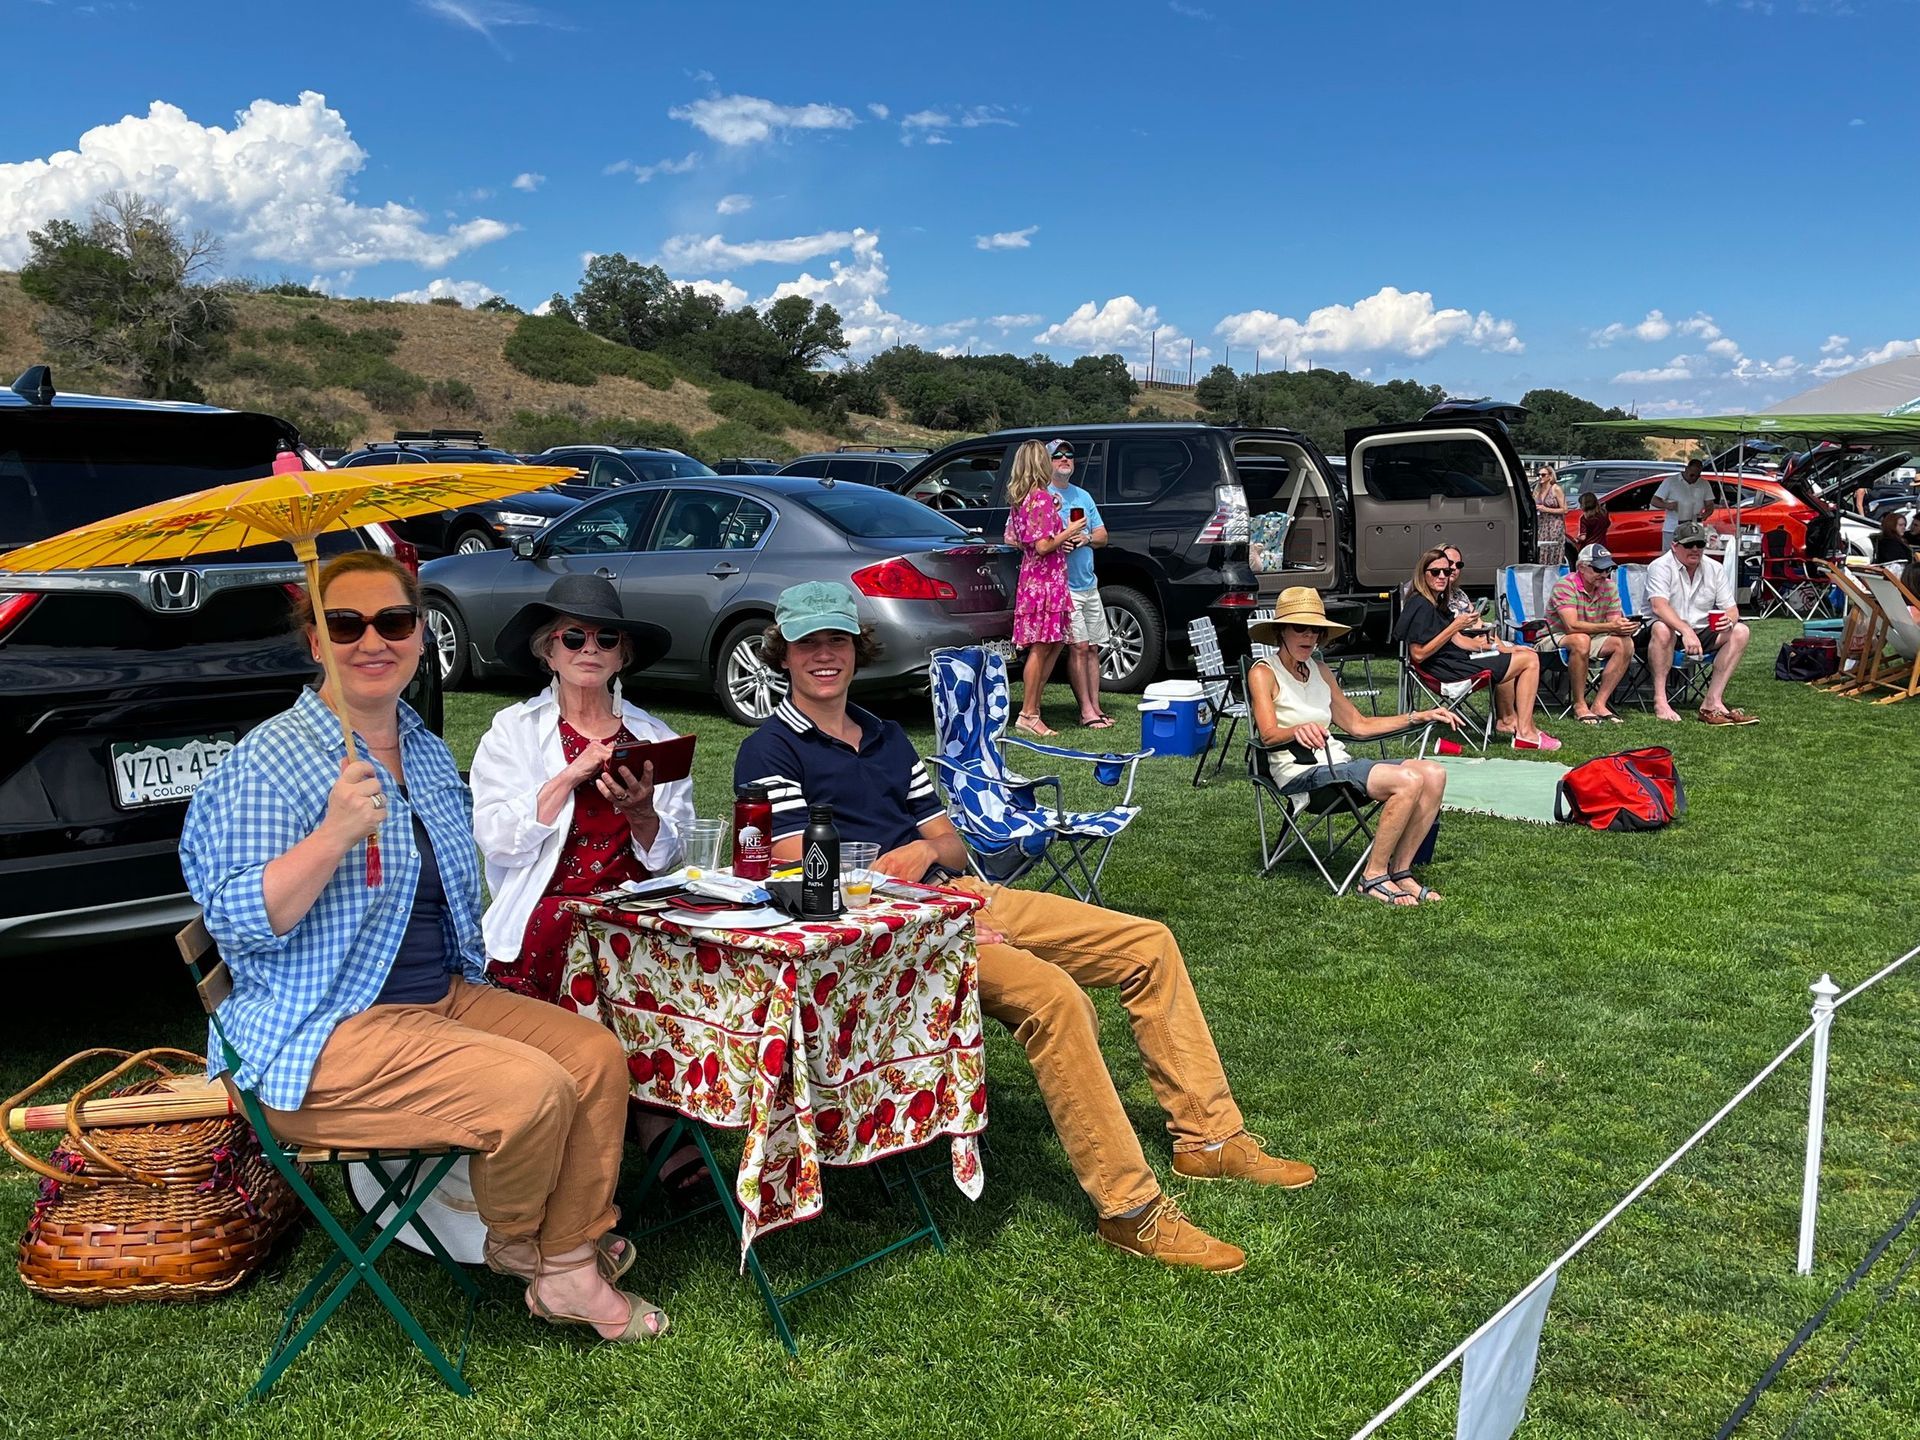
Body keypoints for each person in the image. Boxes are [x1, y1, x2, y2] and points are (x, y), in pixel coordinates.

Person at [736, 581, 1315, 1274]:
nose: (824, 656)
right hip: (894, 934)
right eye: (807, 644)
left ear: (857, 649)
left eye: (836, 640)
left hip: (964, 895)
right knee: (1055, 999)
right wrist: (938, 915)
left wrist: (923, 853)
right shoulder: (770, 750)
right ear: (783, 655)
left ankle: (1209, 1138)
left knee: (1148, 944)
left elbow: (952, 845)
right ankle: (1130, 1209)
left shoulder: (885, 736)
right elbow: (799, 866)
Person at [179, 552, 664, 1343]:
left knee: (596, 1057)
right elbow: (237, 922)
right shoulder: (269, 762)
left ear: (418, 635)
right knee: (534, 1090)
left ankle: (569, 1258)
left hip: (436, 995)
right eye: (346, 624)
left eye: (394, 621)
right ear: (316, 643)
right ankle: (535, 1252)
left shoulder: (425, 749)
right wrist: (333, 835)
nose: (373, 641)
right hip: (322, 1029)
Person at [469, 573, 707, 1197]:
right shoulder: (513, 732)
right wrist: (567, 778)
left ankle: (648, 1108)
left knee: (660, 947)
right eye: (572, 637)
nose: (589, 649)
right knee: (576, 933)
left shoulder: (655, 737)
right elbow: (497, 840)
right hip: (548, 907)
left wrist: (643, 814)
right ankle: (629, 1120)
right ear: (547, 651)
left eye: (606, 639)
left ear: (623, 655)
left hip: (632, 907)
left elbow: (669, 857)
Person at [1246, 588, 1456, 906]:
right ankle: (1373, 876)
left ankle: (1401, 872)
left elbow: (1358, 724)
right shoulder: (1263, 672)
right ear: (1280, 631)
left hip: (1337, 765)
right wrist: (1297, 730)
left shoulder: (1319, 670)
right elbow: (1267, 735)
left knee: (1434, 773)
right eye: (1300, 628)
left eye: (1316, 630)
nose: (1310, 636)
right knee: (1409, 780)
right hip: (1301, 773)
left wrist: (1417, 716)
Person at [1395, 546, 1560, 750]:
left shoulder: (1438, 602)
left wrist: (1495, 648)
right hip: (1446, 671)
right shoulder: (1420, 605)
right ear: (1423, 574)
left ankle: (1526, 729)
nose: (1442, 576)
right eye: (1435, 572)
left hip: (1457, 661)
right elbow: (1418, 655)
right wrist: (1455, 626)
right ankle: (1525, 733)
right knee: (1530, 661)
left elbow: (1459, 640)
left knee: (1524, 655)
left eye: (1446, 571)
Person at [1004, 438, 1081, 736]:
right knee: (1040, 647)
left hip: (1037, 578)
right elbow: (1043, 545)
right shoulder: (1040, 498)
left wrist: (1059, 536)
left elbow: (1015, 538)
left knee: (1054, 643)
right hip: (1045, 582)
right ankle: (1028, 713)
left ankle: (1034, 707)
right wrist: (1069, 531)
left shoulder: (1021, 499)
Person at [1646, 520, 1756, 725]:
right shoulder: (1660, 567)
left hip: (1701, 630)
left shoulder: (1714, 568)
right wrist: (1686, 631)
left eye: (1700, 544)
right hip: (1667, 631)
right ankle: (1660, 700)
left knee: (1740, 631)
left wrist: (1729, 619)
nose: (1695, 549)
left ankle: (1712, 701)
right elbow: (1659, 606)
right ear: (1675, 546)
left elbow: (1732, 609)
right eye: (1689, 544)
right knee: (1662, 629)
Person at [1046, 438, 1113, 729]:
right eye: (1057, 455)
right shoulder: (1043, 496)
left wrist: (1086, 538)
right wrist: (1060, 541)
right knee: (1078, 646)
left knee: (1094, 647)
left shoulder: (1083, 496)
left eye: (1069, 454)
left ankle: (1096, 707)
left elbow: (1103, 536)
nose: (1064, 459)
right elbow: (1035, 541)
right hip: (1064, 585)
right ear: (1047, 462)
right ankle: (1086, 712)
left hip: (1089, 583)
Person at [1550, 544, 1638, 724]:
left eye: (1608, 569)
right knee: (1581, 640)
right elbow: (1571, 626)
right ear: (1581, 567)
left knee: (1625, 642)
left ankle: (1599, 703)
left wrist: (1624, 627)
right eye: (1599, 569)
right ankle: (1579, 704)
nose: (1604, 574)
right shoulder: (1565, 585)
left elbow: (1614, 623)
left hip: (1592, 637)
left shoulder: (1610, 587)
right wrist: (1611, 626)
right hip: (1556, 638)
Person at [1653, 459, 1715, 549]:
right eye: (1692, 475)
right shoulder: (1670, 481)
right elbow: (1654, 501)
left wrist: (1706, 514)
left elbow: (1710, 504)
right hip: (1673, 527)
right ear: (1686, 469)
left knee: (1692, 552)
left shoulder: (1704, 484)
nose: (1694, 478)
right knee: (1670, 554)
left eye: (1697, 475)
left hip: (1694, 528)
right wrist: (1667, 505)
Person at [1533, 465, 1568, 567]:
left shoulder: (1556, 489)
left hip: (1554, 525)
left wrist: (1546, 509)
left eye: (1543, 475)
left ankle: (1554, 571)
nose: (1540, 477)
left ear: (1550, 476)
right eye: (1538, 475)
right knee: (1542, 550)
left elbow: (1565, 509)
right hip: (1542, 524)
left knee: (1553, 550)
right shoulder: (1537, 489)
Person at [1567, 491, 1610, 562]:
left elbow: (1583, 537)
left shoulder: (1584, 518)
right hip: (1602, 546)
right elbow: (1608, 524)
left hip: (1588, 549)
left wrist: (1576, 540)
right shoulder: (1604, 513)